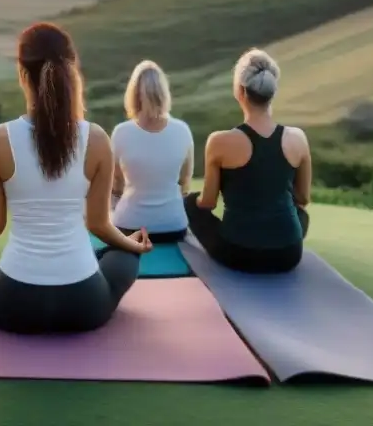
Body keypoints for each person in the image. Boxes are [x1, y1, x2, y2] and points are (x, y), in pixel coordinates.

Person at [0, 22, 152, 335]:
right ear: (71, 71)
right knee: (124, 253)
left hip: (12, 303)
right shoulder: (98, 139)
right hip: (84, 304)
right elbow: (99, 225)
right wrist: (130, 244)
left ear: (22, 74)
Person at [184, 48, 311, 274]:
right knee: (300, 215)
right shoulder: (298, 138)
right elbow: (303, 198)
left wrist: (192, 199)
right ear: (273, 90)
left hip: (238, 253)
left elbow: (208, 203)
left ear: (240, 91)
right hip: (288, 254)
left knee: (190, 205)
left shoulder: (219, 141)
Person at [110, 60, 193, 241]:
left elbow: (116, 184)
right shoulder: (182, 130)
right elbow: (184, 182)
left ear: (133, 95)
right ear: (164, 94)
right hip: (173, 226)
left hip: (129, 227)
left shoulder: (121, 132)